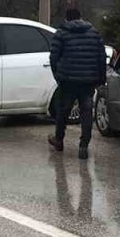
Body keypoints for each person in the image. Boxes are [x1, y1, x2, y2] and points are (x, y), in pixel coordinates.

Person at [48, 8, 107, 160]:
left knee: (63, 111)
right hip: (88, 80)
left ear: (67, 19)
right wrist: (101, 78)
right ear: (81, 17)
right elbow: (101, 58)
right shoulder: (94, 34)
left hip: (67, 80)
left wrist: (58, 76)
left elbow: (53, 58)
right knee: (86, 112)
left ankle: (59, 140)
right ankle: (83, 147)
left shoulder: (61, 34)